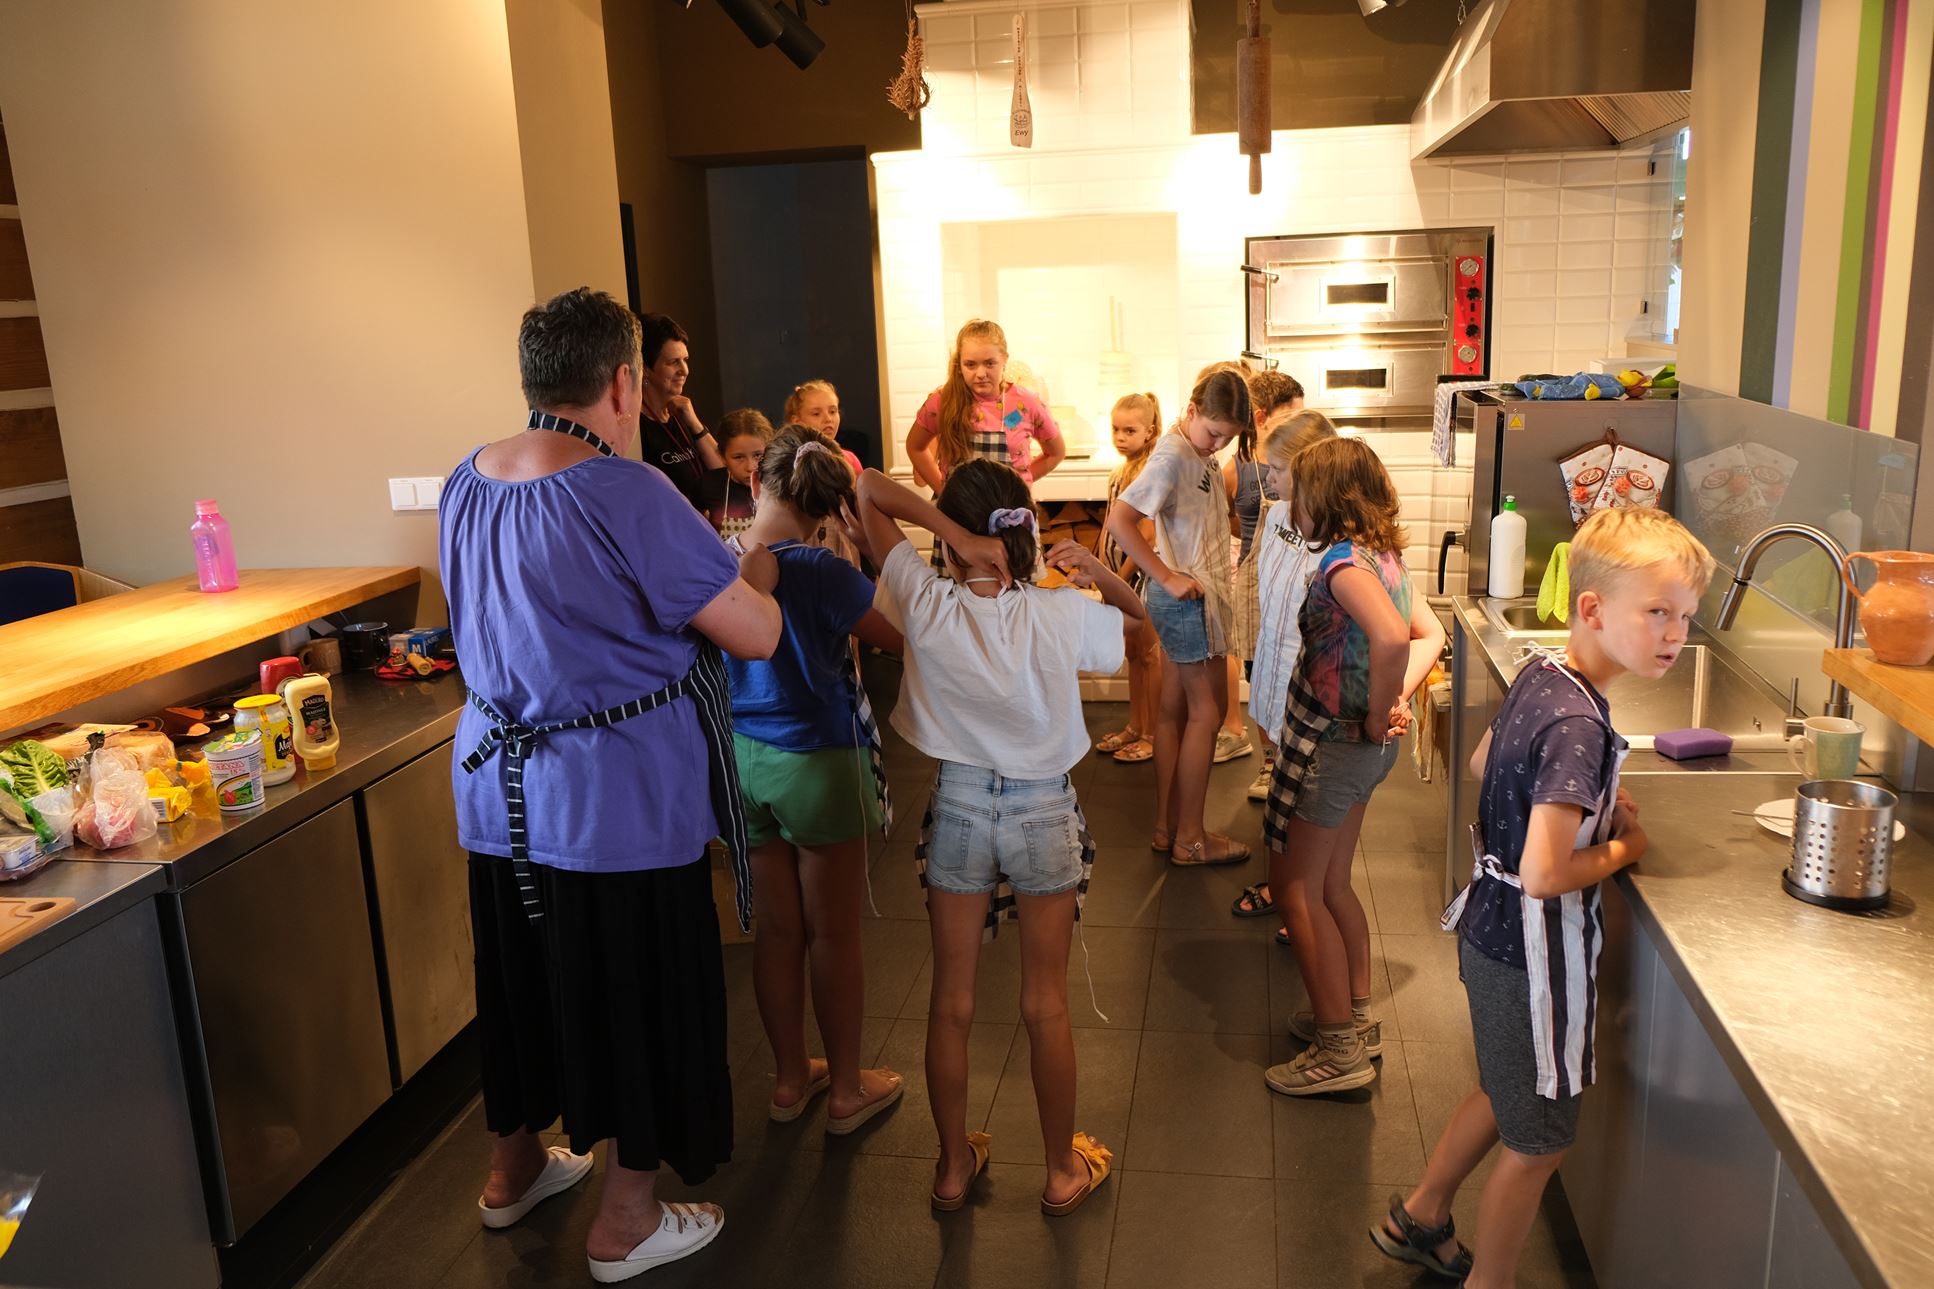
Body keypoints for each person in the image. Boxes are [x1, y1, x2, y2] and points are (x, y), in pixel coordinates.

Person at [440, 288, 781, 1282]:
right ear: (625, 382)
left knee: (521, 982)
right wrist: (761, 565)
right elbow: (752, 633)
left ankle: (512, 1172)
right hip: (613, 800)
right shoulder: (628, 491)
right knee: (637, 993)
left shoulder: (465, 479)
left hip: (496, 791)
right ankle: (624, 1219)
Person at [1374, 508, 1712, 1286]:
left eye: (1686, 616)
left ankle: (1421, 1213)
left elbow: (1482, 761)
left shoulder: (1543, 671)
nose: (1675, 634)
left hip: (1487, 933)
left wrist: (1585, 804)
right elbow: (1544, 873)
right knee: (1538, 1146)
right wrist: (1624, 845)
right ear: (1592, 608)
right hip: (1532, 954)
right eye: (1658, 612)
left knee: (1504, 1093)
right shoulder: (1580, 725)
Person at [850, 460, 1138, 1217]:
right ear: (1026, 535)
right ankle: (1060, 1172)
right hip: (1045, 811)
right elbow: (1140, 625)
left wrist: (953, 535)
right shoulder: (1059, 610)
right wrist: (1102, 575)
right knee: (1045, 1003)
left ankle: (952, 1167)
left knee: (951, 1001)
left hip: (959, 806)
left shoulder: (924, 600)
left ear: (952, 539)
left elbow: (868, 487)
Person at [719, 424, 909, 1136]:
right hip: (819, 761)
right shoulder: (823, 571)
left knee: (776, 930)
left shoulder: (716, 560)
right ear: (829, 504)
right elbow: (905, 633)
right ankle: (848, 1091)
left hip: (741, 760)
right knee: (833, 934)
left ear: (756, 482)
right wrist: (870, 550)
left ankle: (790, 1078)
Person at [1260, 436, 1444, 1096]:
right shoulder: (1385, 557)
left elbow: (1394, 638)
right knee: (1333, 883)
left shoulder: (1343, 565)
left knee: (1296, 889)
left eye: (1300, 493)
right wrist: (1390, 704)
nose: (1292, 506)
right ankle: (1354, 1017)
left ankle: (1338, 1050)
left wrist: (1374, 711)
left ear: (1329, 499)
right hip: (1360, 749)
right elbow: (1429, 634)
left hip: (1331, 744)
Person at [1104, 367, 1249, 867]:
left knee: (1173, 711)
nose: (1218, 445)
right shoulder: (1171, 456)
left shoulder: (1196, 453)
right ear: (1191, 411)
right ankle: (1192, 839)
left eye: (1228, 438)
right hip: (1186, 600)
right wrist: (1165, 576)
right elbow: (1121, 520)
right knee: (1207, 713)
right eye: (1214, 432)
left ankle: (1168, 829)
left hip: (1191, 598)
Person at [1229, 409, 1337, 928]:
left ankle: (1302, 900)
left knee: (1308, 804)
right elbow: (1264, 590)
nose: (1267, 479)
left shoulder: (1342, 537)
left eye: (1276, 468)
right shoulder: (1276, 518)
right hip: (1273, 675)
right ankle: (1291, 889)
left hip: (1312, 690)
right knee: (1281, 789)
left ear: (1308, 469)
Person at [1222, 372, 1307, 785]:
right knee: (1259, 674)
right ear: (1260, 417)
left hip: (1298, 580)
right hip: (1255, 584)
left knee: (1295, 669)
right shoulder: (1235, 469)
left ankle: (1298, 757)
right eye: (1291, 415)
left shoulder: (1308, 463)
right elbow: (1229, 523)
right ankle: (1271, 761)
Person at [904, 318, 1065, 498]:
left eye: (990, 363)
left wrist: (1019, 483)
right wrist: (944, 492)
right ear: (960, 365)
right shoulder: (942, 402)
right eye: (970, 364)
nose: (981, 374)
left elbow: (1056, 453)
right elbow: (915, 447)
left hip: (1011, 511)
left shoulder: (1026, 403)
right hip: (958, 511)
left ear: (1004, 359)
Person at [1093, 391, 1164, 764]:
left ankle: (1154, 734)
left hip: (1140, 579)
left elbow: (1147, 536)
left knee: (1150, 654)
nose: (1120, 437)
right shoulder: (1119, 473)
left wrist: (1119, 580)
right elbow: (1110, 524)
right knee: (1133, 653)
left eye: (1130, 431)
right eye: (1115, 429)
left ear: (1149, 431)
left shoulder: (1149, 473)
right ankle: (1136, 725)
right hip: (1119, 576)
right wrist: (1098, 565)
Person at [634, 311, 724, 509]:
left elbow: (725, 476)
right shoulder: (636, 428)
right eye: (673, 362)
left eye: (685, 359)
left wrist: (695, 424)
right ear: (645, 368)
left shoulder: (682, 414)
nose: (685, 370)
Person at [698, 409, 772, 540]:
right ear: (722, 456)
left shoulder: (779, 486)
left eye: (758, 455)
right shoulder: (709, 485)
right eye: (739, 457)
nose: (750, 467)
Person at [784, 379, 864, 478]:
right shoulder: (787, 463)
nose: (828, 419)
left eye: (832, 411)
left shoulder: (850, 460)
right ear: (797, 422)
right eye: (816, 414)